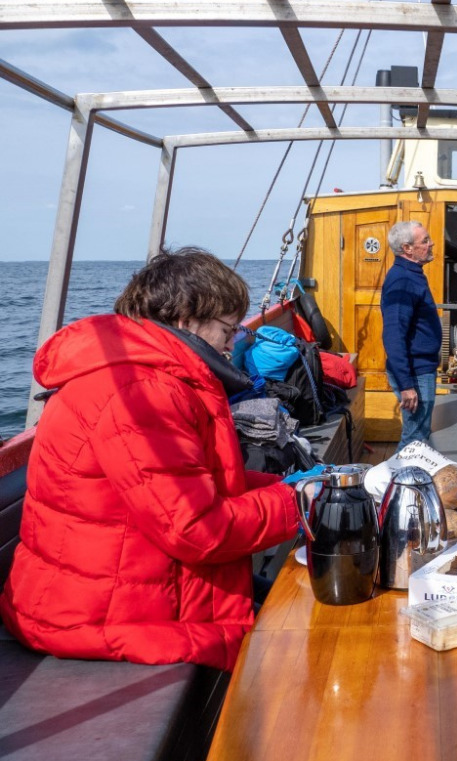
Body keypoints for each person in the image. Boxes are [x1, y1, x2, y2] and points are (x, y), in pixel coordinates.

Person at [0, 248, 300, 671]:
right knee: (301, 651)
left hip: (123, 590)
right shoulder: (140, 392)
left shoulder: (146, 373)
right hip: (97, 613)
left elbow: (193, 482)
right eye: (227, 330)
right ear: (186, 320)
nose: (232, 344)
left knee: (293, 613)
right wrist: (300, 504)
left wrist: (290, 487)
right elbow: (195, 530)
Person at [382, 220, 442, 450]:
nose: (431, 243)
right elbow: (393, 335)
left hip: (420, 369)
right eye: (425, 241)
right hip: (415, 373)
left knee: (418, 435)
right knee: (414, 440)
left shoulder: (412, 274)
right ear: (407, 248)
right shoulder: (402, 280)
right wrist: (406, 385)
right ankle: (402, 473)